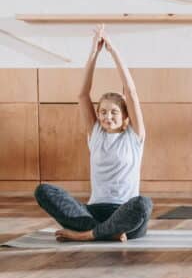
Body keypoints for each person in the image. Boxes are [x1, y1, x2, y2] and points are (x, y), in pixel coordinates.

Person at [34, 26, 152, 242]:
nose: (107, 117)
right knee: (43, 191)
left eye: (114, 112)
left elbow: (132, 94)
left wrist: (112, 50)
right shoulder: (96, 133)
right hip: (93, 212)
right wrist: (94, 52)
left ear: (126, 116)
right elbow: (82, 94)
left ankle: (87, 235)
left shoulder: (134, 137)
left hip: (125, 212)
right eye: (103, 112)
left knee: (143, 204)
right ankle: (103, 232)